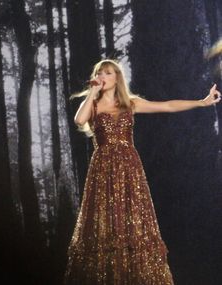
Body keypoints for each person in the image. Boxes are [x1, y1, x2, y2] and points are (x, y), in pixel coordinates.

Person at [64, 59, 221, 285]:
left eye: (108, 73)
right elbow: (79, 119)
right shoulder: (94, 105)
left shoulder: (130, 103)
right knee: (106, 222)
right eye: (100, 73)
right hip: (103, 170)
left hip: (129, 168)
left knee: (133, 221)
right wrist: (92, 93)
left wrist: (201, 102)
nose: (103, 76)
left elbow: (166, 106)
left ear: (116, 78)